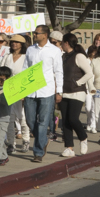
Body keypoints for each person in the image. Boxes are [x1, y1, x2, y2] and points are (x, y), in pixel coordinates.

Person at [23, 24, 64, 164]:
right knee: (30, 120)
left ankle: (38, 152)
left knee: (43, 122)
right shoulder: (30, 50)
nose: (34, 35)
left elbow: (59, 71)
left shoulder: (54, 51)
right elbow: (25, 69)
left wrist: (59, 91)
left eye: (37, 33)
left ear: (45, 35)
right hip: (30, 91)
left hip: (47, 91)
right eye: (34, 33)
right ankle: (43, 139)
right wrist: (22, 89)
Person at [58, 33, 93, 157]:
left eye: (62, 42)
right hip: (64, 92)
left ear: (66, 42)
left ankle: (83, 138)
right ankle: (69, 148)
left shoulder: (78, 56)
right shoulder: (62, 57)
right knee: (65, 121)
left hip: (77, 92)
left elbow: (89, 73)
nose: (61, 44)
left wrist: (78, 82)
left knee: (73, 119)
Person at [0, 34, 29, 152]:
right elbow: (0, 71)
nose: (14, 44)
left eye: (17, 42)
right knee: (10, 117)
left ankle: (26, 141)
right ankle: (11, 143)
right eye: (12, 42)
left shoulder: (26, 57)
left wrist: (25, 93)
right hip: (8, 90)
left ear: (22, 44)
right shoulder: (7, 57)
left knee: (22, 117)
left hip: (21, 90)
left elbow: (28, 76)